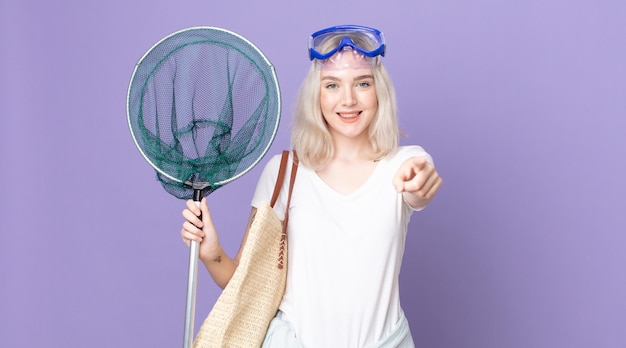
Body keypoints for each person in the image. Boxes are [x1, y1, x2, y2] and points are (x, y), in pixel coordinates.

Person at [180, 24, 443, 348]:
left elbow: (420, 183)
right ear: (316, 95)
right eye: (332, 85)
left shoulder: (403, 164)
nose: (348, 99)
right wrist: (212, 253)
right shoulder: (284, 173)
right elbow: (244, 286)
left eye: (362, 83)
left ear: (380, 92)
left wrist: (420, 181)